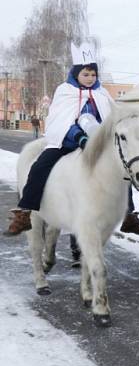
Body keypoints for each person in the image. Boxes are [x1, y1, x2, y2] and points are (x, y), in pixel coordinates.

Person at [6, 43, 115, 236]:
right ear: (76, 74)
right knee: (40, 166)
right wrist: (79, 136)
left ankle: (130, 214)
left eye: (93, 75)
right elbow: (60, 120)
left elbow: (110, 118)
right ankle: (25, 212)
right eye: (85, 74)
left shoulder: (102, 94)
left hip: (97, 144)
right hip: (67, 142)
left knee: (121, 166)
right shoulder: (65, 91)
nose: (90, 78)